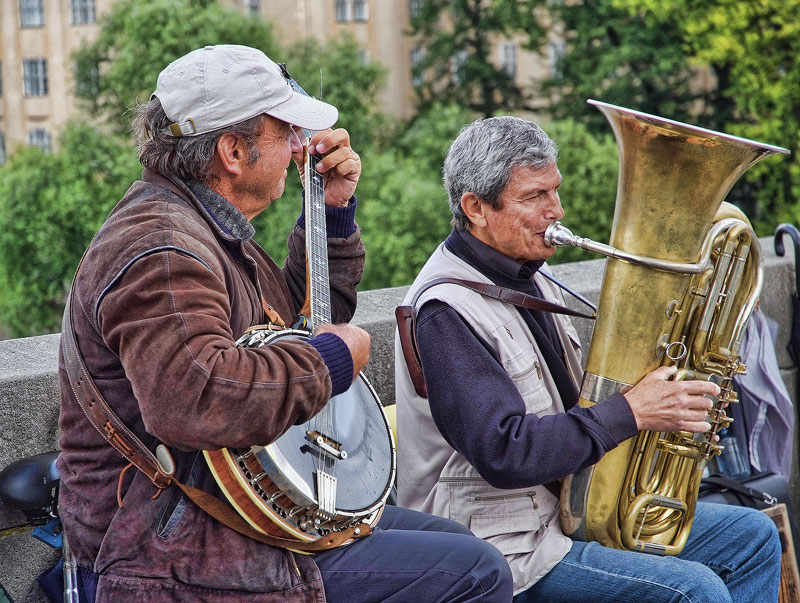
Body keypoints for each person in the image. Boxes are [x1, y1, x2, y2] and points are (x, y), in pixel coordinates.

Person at [56, 44, 512, 602]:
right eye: (286, 131)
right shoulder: (164, 247)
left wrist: (332, 210)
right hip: (166, 549)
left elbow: (295, 325)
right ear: (232, 150)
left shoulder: (201, 226)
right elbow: (198, 396)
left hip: (229, 519)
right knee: (475, 571)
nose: (301, 146)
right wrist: (333, 359)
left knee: (452, 540)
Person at [394, 115, 782, 603]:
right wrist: (632, 411)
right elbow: (505, 453)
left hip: (559, 514)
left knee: (752, 538)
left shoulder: (525, 272)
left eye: (555, 190)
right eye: (535, 197)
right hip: (502, 549)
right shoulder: (444, 312)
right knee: (693, 591)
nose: (556, 210)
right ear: (476, 208)